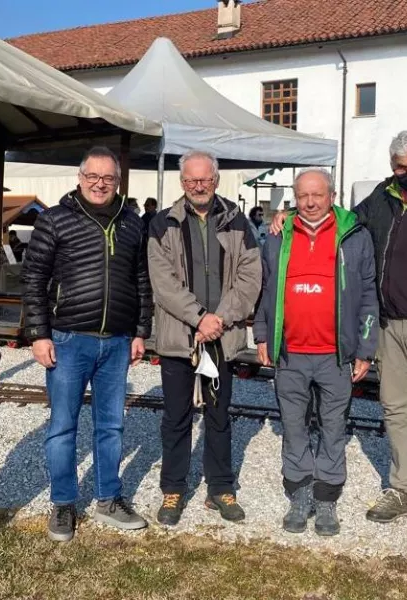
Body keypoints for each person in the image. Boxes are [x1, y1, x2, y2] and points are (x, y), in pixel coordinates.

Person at [269, 129, 407, 541]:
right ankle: (406, 491)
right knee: (396, 410)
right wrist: (287, 215)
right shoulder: (381, 197)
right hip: (391, 323)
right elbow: (341, 219)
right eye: (400, 166)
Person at [22, 146, 152, 543]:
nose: (100, 184)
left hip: (117, 342)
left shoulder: (132, 223)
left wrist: (140, 331)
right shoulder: (55, 219)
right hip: (68, 339)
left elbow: (142, 279)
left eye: (108, 178)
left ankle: (108, 498)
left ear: (118, 182)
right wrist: (39, 333)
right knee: (63, 426)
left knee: (111, 426)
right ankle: (63, 502)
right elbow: (34, 278)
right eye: (92, 177)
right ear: (80, 179)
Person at [254, 169, 378, 536]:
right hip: (290, 352)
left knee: (333, 427)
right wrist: (262, 335)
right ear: (295, 198)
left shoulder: (354, 236)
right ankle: (299, 492)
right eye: (303, 196)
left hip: (335, 354)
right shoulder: (279, 235)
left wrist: (366, 348)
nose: (310, 203)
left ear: (332, 196)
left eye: (317, 195)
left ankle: (326, 498)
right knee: (293, 426)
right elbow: (265, 288)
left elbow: (368, 295)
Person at [148, 150, 261, 526]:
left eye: (205, 179)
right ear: (182, 183)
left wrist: (219, 319)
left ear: (216, 180)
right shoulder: (163, 223)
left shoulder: (237, 221)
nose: (199, 186)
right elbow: (162, 282)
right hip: (180, 337)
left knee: (218, 414)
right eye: (192, 180)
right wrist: (199, 318)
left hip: (218, 338)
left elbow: (250, 276)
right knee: (176, 417)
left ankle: (220, 487)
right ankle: (173, 488)